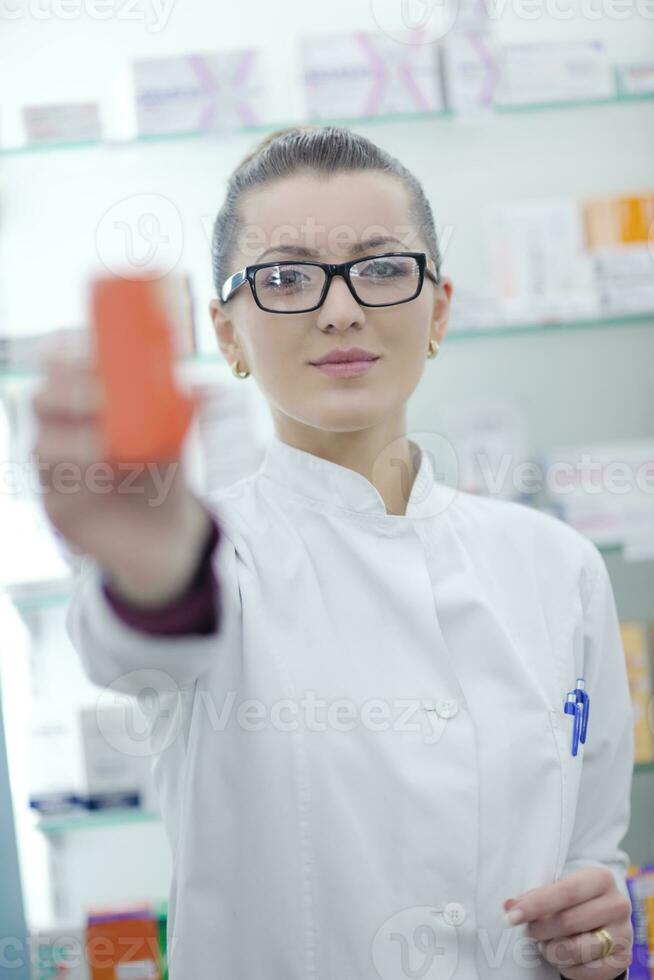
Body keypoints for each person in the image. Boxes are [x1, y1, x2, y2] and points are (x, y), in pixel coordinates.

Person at [33, 125, 633, 979]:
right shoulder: (208, 562)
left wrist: (601, 921)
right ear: (228, 333)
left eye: (383, 267)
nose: (341, 308)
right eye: (283, 277)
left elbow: (594, 854)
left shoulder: (558, 565)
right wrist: (154, 566)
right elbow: (135, 637)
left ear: (440, 307)